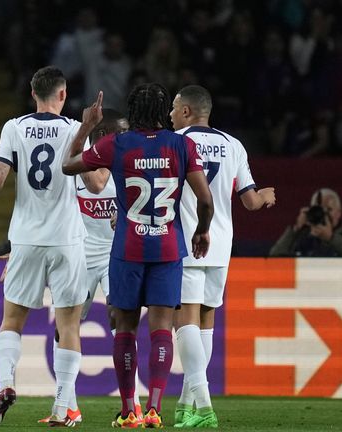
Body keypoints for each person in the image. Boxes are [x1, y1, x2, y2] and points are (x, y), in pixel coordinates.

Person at [63, 83, 214, 429]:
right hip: (166, 247)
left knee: (125, 329)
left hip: (128, 248)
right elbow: (205, 201)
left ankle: (129, 409)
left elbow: (69, 166)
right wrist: (202, 230)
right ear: (164, 113)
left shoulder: (117, 143)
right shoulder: (181, 144)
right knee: (162, 329)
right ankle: (155, 409)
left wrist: (86, 128)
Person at [0, 66, 96, 427]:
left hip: (25, 239)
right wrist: (88, 134)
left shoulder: (13, 127)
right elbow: (92, 184)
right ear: (62, 95)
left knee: (11, 320)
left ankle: (6, 384)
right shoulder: (76, 129)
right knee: (69, 324)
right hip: (67, 240)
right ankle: (62, 407)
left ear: (33, 94)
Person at [169, 84, 275, 428]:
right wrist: (266, 196)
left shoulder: (176, 143)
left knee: (184, 321)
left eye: (173, 108)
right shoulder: (233, 145)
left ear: (186, 111)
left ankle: (204, 404)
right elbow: (250, 201)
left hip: (186, 239)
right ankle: (186, 406)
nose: (170, 115)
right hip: (221, 244)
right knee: (205, 322)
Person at [35, 109, 141, 424]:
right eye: (120, 132)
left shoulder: (129, 166)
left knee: (120, 321)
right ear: (103, 134)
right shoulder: (80, 166)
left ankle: (131, 405)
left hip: (114, 254)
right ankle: (68, 404)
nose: (126, 137)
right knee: (64, 327)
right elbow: (52, 207)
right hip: (79, 253)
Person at [269, 188, 342, 257]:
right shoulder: (302, 236)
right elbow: (274, 256)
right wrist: (295, 229)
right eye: (320, 209)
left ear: (339, 212)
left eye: (329, 209)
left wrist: (331, 238)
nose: (324, 213)